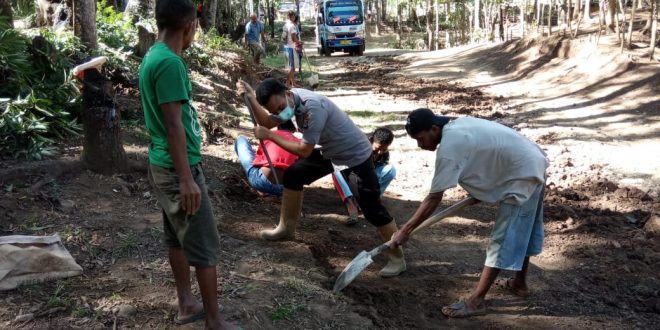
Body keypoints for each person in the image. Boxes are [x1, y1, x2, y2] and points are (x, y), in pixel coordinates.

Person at [236, 78, 406, 278]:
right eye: (276, 110)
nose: (280, 113)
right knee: (293, 175)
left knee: (372, 209)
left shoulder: (312, 109)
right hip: (331, 152)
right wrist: (249, 96)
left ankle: (397, 258)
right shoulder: (291, 101)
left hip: (355, 156)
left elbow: (304, 150)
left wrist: (270, 136)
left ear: (288, 94)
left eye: (281, 107)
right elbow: (266, 121)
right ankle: (285, 228)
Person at [391, 108, 549, 318]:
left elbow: (433, 198)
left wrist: (406, 230)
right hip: (532, 162)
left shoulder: (449, 147)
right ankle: (519, 284)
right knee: (524, 230)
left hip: (521, 176)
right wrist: (483, 189)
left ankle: (476, 302)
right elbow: (487, 154)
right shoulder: (458, 125)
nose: (420, 145)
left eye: (420, 139)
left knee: (501, 241)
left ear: (434, 128)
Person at [138, 0, 232, 328]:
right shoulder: (170, 63)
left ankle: (187, 304)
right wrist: (186, 179)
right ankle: (215, 322)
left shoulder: (154, 55)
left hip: (163, 164)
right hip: (179, 168)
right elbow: (173, 124)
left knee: (175, 238)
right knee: (205, 246)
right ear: (190, 25)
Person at [332, 127, 397, 225]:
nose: (380, 152)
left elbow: (376, 173)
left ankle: (372, 199)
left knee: (391, 170)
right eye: (378, 148)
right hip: (350, 177)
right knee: (334, 169)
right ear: (372, 141)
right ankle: (351, 204)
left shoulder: (384, 154)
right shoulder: (359, 146)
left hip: (367, 179)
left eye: (384, 149)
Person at [234, 120, 299, 197]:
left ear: (278, 125)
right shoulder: (299, 143)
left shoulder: (269, 135)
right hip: (285, 189)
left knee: (241, 139)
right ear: (294, 129)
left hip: (262, 182)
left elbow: (257, 161)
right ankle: (271, 192)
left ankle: (263, 190)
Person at [281, 11, 302, 87]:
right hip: (291, 48)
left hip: (286, 47)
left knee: (290, 66)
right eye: (293, 16)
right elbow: (293, 38)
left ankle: (293, 83)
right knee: (292, 67)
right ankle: (287, 83)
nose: (294, 18)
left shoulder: (286, 24)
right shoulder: (292, 26)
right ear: (292, 16)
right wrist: (299, 42)